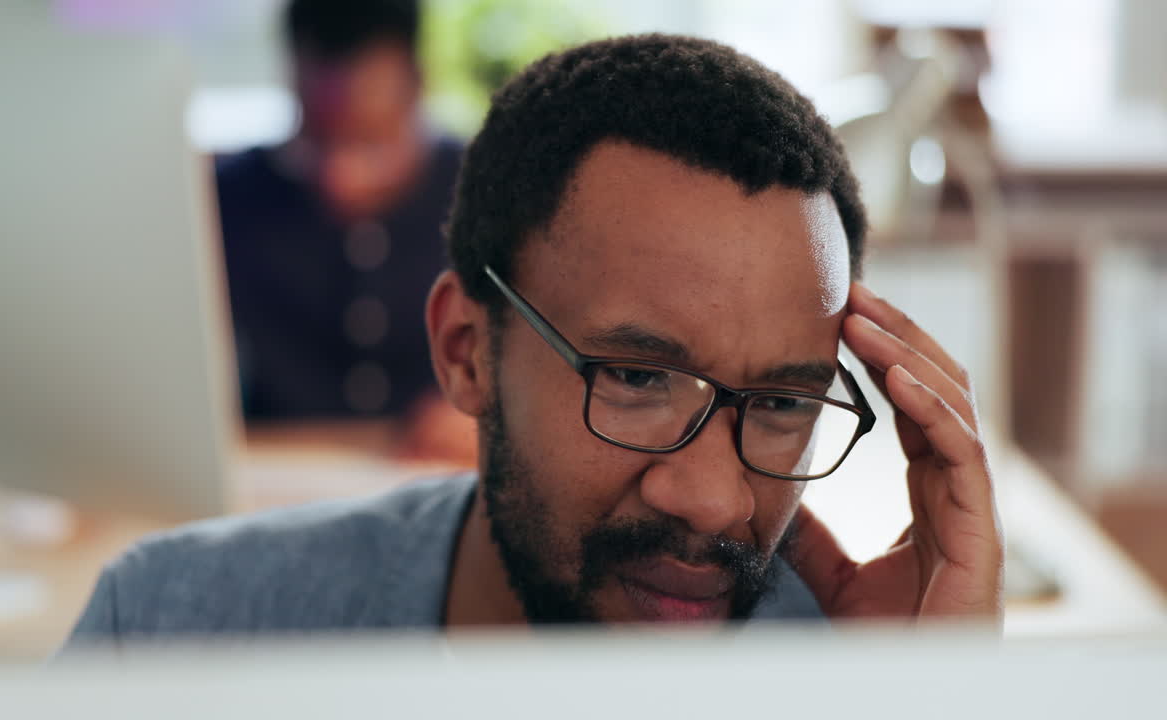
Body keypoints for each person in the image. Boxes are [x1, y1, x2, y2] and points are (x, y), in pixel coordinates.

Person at [66, 34, 1002, 644]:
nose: (718, 502)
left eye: (785, 404)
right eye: (637, 378)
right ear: (467, 352)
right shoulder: (171, 632)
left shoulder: (864, 664)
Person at [218, 0, 462, 421]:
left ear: (417, 83)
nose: (344, 175)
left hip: (435, 466)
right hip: (281, 465)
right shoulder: (231, 194)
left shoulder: (477, 183)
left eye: (371, 141)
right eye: (322, 138)